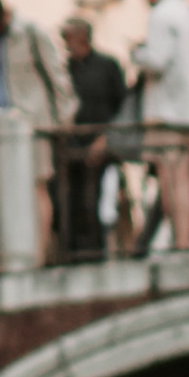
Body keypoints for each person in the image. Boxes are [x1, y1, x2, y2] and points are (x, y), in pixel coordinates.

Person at [0, 0, 76, 263]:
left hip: (33, 123)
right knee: (3, 190)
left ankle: (38, 254)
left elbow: (57, 77)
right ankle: (10, 254)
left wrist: (61, 121)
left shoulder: (31, 33)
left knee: (37, 186)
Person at [135, 0, 189, 254]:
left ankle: (178, 239)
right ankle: (184, 237)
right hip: (188, 109)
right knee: (183, 174)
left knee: (169, 176)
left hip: (165, 109)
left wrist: (137, 53)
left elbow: (157, 60)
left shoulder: (161, 15)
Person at [59, 17, 125, 257]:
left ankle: (98, 251)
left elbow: (121, 107)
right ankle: (73, 252)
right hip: (73, 147)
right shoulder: (64, 70)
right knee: (70, 201)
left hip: (102, 146)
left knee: (96, 201)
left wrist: (105, 139)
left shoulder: (108, 66)